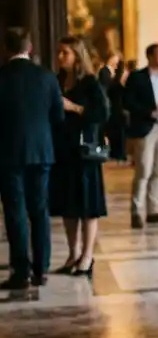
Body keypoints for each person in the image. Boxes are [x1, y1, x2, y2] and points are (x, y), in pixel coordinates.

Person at [0, 27, 64, 289]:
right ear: (30, 48)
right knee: (39, 210)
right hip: (41, 152)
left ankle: (21, 271)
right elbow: (58, 116)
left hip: (8, 154)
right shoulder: (47, 77)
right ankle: (42, 269)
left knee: (15, 212)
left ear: (5, 49)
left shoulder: (1, 77)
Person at [50, 36, 109, 279]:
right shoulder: (57, 81)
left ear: (77, 55)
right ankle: (73, 253)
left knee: (87, 206)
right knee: (68, 205)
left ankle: (87, 256)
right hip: (63, 151)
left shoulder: (90, 83)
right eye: (59, 52)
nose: (60, 56)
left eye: (65, 52)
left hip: (84, 153)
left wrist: (73, 107)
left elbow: (102, 113)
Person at [123, 43, 158, 228]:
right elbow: (127, 101)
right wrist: (148, 112)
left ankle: (153, 210)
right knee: (143, 170)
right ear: (150, 57)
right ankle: (136, 212)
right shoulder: (137, 77)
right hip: (145, 128)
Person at [97, 52, 127, 161]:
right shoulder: (105, 71)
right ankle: (116, 153)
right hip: (112, 105)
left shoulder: (116, 72)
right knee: (114, 131)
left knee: (118, 131)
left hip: (117, 105)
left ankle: (118, 153)